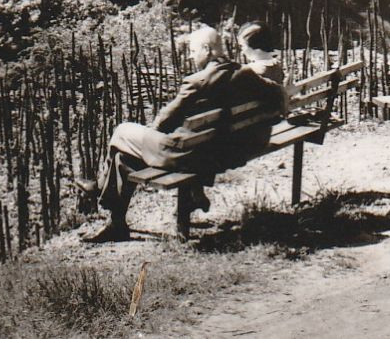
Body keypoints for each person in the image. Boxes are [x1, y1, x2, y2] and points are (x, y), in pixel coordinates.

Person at [80, 23, 285, 243]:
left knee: (122, 132)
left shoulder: (197, 82)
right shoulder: (244, 74)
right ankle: (116, 222)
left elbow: (163, 122)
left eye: (194, 51)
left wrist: (151, 135)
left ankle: (102, 191)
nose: (190, 57)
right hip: (224, 150)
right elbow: (276, 93)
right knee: (123, 158)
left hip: (189, 156)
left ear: (207, 50)